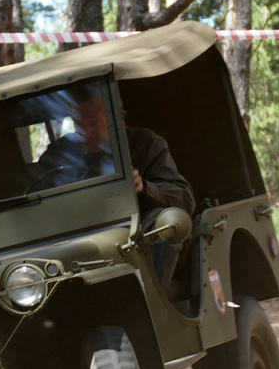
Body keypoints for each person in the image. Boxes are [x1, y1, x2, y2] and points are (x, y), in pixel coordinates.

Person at [38, 88, 195, 281]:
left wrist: (144, 187)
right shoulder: (60, 152)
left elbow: (184, 198)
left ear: (116, 119)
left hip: (134, 236)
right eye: (79, 124)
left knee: (165, 224)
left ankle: (151, 302)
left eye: (93, 123)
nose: (86, 132)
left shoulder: (145, 144)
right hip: (72, 236)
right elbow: (34, 193)